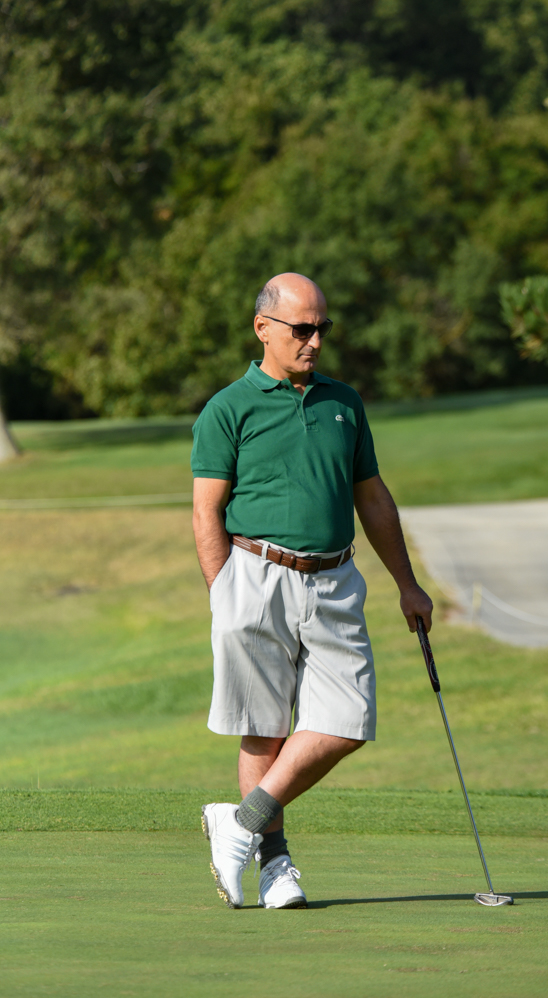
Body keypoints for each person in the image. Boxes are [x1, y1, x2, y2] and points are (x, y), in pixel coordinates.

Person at [191, 272, 432, 910]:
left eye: (323, 327)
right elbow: (206, 511)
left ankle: (239, 823)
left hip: (334, 580)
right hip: (255, 574)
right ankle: (274, 867)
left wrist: (407, 584)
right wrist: (223, 594)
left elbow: (372, 498)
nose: (315, 340)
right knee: (263, 730)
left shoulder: (344, 403)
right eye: (302, 328)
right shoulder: (228, 409)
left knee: (347, 721)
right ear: (263, 328)